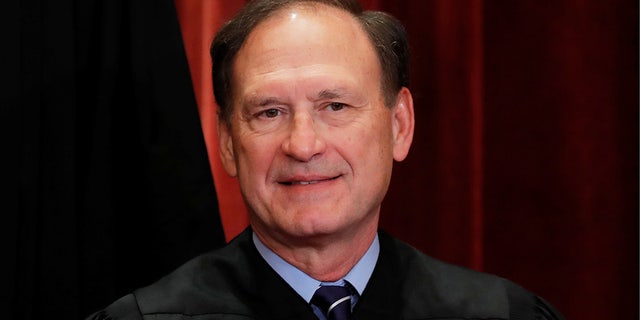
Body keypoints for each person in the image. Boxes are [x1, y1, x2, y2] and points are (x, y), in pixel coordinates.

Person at [88, 0, 565, 319]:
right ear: (229, 143)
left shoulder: (502, 314)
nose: (303, 144)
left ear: (399, 125)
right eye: (269, 112)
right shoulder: (147, 319)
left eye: (335, 107)